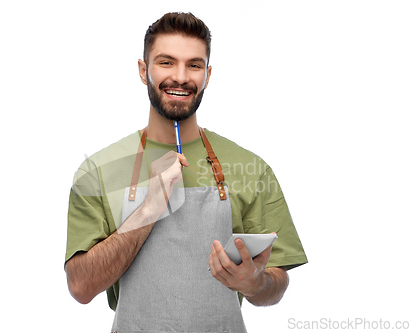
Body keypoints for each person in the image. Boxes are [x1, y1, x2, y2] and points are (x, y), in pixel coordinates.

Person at [64, 12, 307, 332]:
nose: (180, 76)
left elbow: (276, 282)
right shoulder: (97, 171)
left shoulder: (252, 169)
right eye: (166, 62)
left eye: (193, 65)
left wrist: (256, 284)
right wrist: (149, 208)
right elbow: (81, 288)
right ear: (143, 70)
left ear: (207, 74)